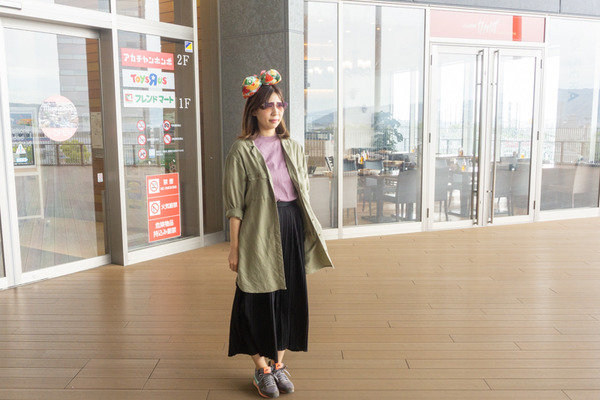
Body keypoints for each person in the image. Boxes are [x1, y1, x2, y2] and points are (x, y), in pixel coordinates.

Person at [223, 69, 333, 398]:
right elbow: (235, 206)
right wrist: (234, 248)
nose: (275, 111)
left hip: (291, 225)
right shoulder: (241, 150)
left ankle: (278, 364)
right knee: (255, 297)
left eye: (279, 105)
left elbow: (303, 194)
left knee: (288, 296)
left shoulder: (293, 147)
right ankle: (261, 368)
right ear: (254, 110)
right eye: (267, 105)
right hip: (258, 231)